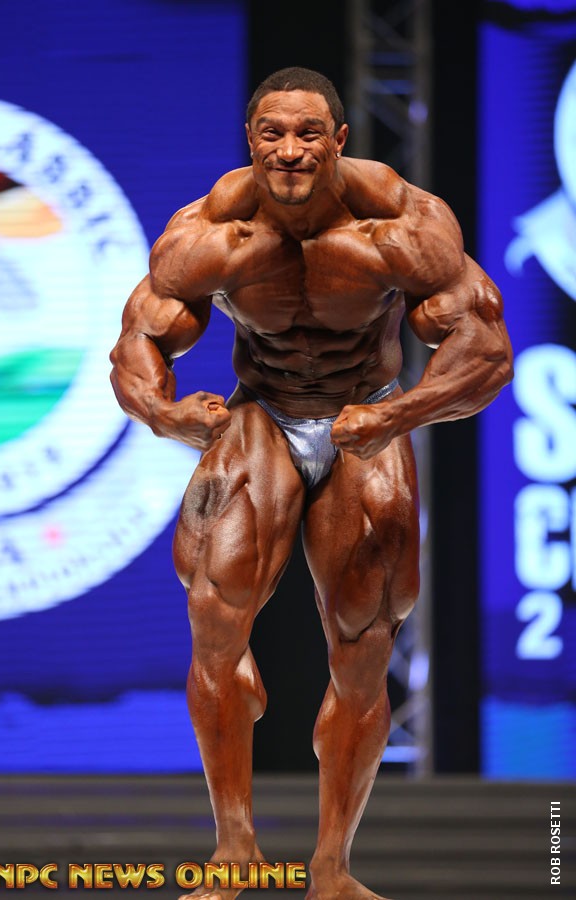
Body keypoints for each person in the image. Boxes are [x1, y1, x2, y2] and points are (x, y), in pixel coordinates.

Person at [110, 67, 512, 900]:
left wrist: (400, 415)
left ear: (339, 141)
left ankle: (331, 868)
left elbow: (487, 354)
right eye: (272, 133)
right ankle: (235, 849)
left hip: (366, 415)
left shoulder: (401, 227)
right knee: (213, 621)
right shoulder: (209, 236)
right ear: (250, 140)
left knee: (364, 650)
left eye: (307, 134)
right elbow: (137, 345)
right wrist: (168, 415)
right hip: (262, 413)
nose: (290, 150)